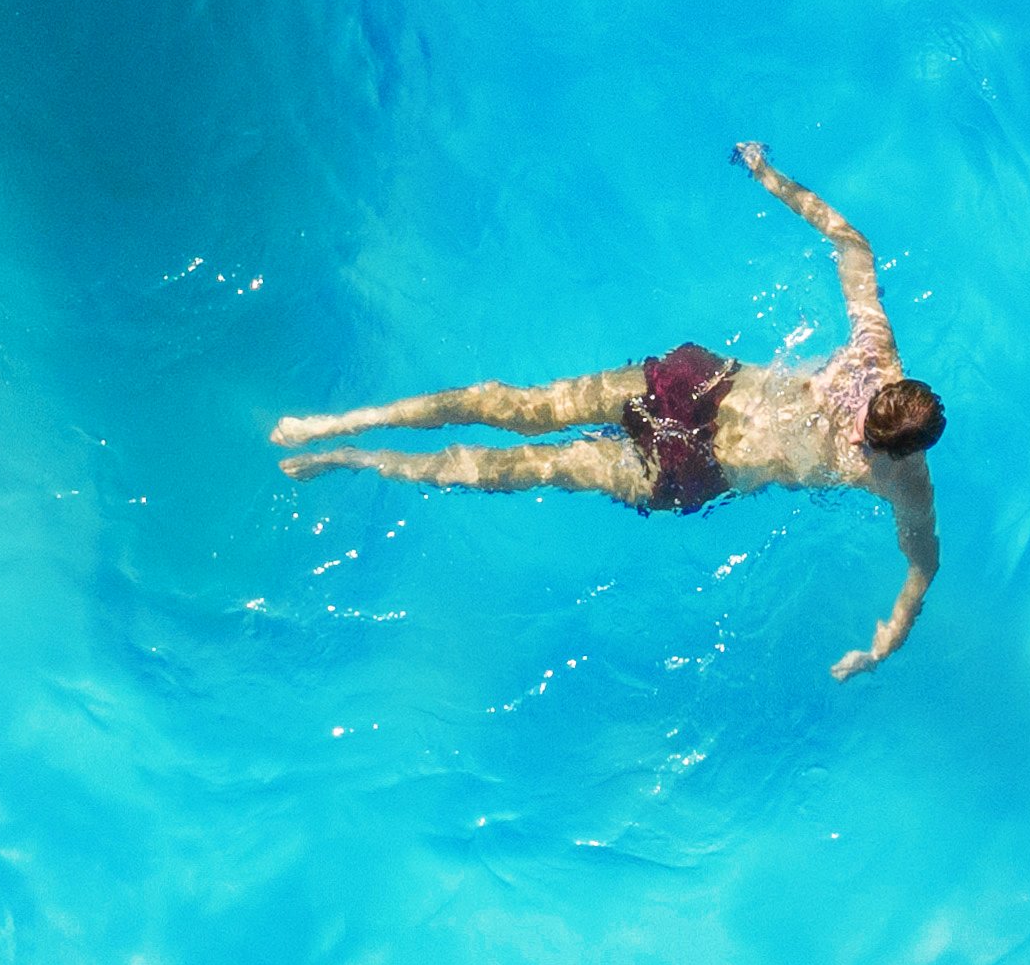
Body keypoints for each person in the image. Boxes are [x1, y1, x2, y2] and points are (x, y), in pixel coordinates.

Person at [273, 144, 947, 677]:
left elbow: (922, 566)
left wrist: (882, 645)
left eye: (861, 440)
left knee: (521, 468)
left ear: (894, 453)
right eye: (859, 412)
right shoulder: (872, 355)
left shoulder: (901, 482)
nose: (849, 426)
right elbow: (853, 244)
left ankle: (347, 456)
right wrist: (769, 175)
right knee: (508, 404)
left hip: (687, 466)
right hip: (698, 385)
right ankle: (341, 422)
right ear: (884, 389)